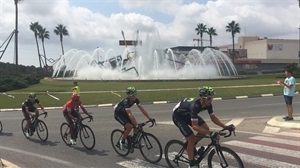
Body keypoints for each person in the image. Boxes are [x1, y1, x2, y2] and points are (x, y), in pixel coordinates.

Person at [172, 86, 235, 168]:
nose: (210, 100)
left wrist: (226, 126)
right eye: (209, 98)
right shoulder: (195, 106)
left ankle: (191, 145)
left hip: (188, 115)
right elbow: (195, 126)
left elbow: (213, 118)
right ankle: (192, 164)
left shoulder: (208, 104)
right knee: (191, 138)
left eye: (212, 98)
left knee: (205, 128)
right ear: (202, 98)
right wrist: (211, 133)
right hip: (178, 117)